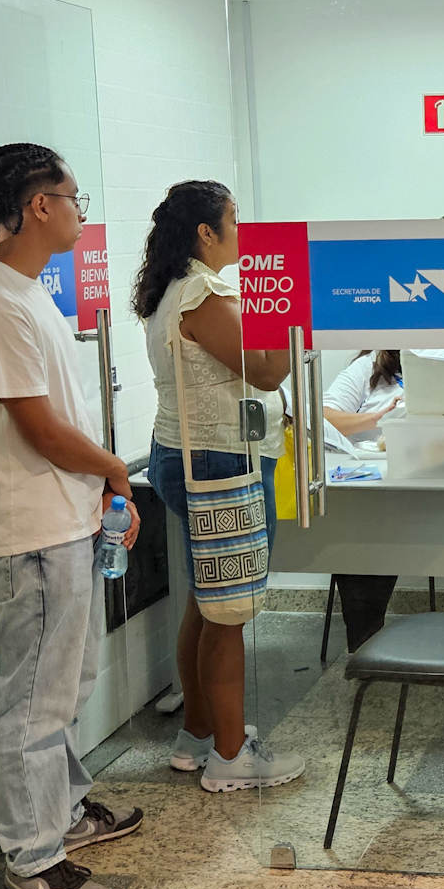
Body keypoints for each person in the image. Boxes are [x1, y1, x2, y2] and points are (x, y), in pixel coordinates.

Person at [0, 142, 142, 889]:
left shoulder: (24, 290)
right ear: (40, 206)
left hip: (60, 517)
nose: (82, 212)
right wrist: (115, 472)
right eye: (75, 197)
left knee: (62, 685)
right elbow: (38, 429)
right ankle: (32, 865)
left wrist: (96, 490)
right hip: (29, 527)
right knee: (31, 699)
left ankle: (62, 815)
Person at [136, 180, 306, 792]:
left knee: (207, 606)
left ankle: (198, 738)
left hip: (191, 453)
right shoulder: (201, 291)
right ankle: (232, 760)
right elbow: (264, 371)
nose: (242, 228)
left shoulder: (177, 289)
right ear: (205, 232)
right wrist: (292, 308)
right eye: (234, 219)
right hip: (216, 461)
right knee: (228, 613)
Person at [320, 350, 405, 651]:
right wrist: (380, 418)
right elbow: (324, 419)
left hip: (434, 485)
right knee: (362, 534)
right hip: (372, 491)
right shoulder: (368, 366)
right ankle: (365, 646)